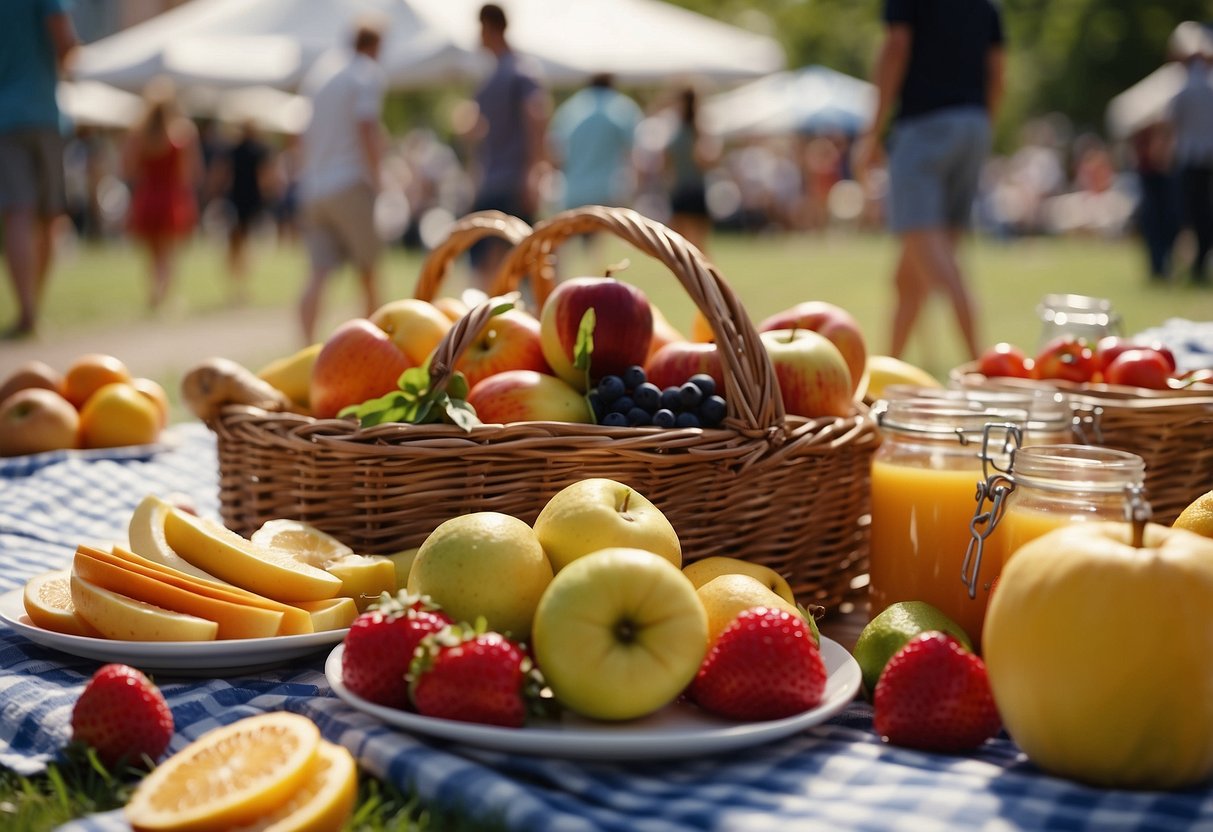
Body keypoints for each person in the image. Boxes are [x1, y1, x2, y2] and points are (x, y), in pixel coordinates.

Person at [855, 0, 1005, 362]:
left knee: (942, 269)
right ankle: (888, 370)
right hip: (974, 126)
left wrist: (872, 134)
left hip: (924, 129)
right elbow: (997, 73)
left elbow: (895, 49)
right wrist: (981, 128)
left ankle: (981, 369)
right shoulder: (986, 6)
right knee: (910, 276)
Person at [297, 18, 387, 344]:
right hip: (349, 183)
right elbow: (367, 128)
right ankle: (375, 348)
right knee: (369, 272)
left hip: (315, 187)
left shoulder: (322, 75)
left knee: (318, 272)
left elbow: (302, 134)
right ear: (375, 45)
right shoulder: (364, 73)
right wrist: (380, 180)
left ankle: (304, 347)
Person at [0, 0, 77, 338]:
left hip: (4, 118)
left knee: (17, 211)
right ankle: (34, 309)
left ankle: (27, 309)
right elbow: (65, 41)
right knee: (47, 214)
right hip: (42, 113)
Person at [465, 3, 549, 289]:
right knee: (494, 257)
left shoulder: (519, 72)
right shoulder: (494, 77)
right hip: (495, 180)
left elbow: (535, 118)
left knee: (521, 256)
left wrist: (535, 170)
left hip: (512, 179)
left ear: (490, 27)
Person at [124, 78, 203, 312]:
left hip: (147, 195)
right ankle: (165, 295)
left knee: (153, 253)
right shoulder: (182, 134)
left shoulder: (139, 134)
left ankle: (154, 294)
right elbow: (192, 172)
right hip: (171, 197)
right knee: (169, 253)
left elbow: (128, 168)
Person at [548, 73, 643, 212]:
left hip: (573, 194)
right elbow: (636, 154)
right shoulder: (623, 108)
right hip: (609, 196)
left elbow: (554, 154)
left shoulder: (569, 108)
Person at [211, 120, 274, 301]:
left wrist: (215, 193)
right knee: (244, 244)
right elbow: (265, 176)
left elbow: (221, 173)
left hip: (235, 199)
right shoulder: (259, 150)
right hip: (251, 201)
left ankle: (235, 284)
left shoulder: (233, 150)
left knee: (235, 244)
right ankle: (241, 285)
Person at [1168, 50, 1213, 285]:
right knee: (1204, 214)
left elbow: (1173, 123)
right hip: (1207, 161)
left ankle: (1192, 264)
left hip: (1189, 160)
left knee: (1189, 215)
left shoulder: (1183, 92)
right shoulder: (1209, 90)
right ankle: (1199, 263)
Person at [663, 86, 718, 255]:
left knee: (688, 244)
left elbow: (666, 163)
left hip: (687, 189)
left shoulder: (688, 131)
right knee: (689, 244)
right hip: (688, 189)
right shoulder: (690, 130)